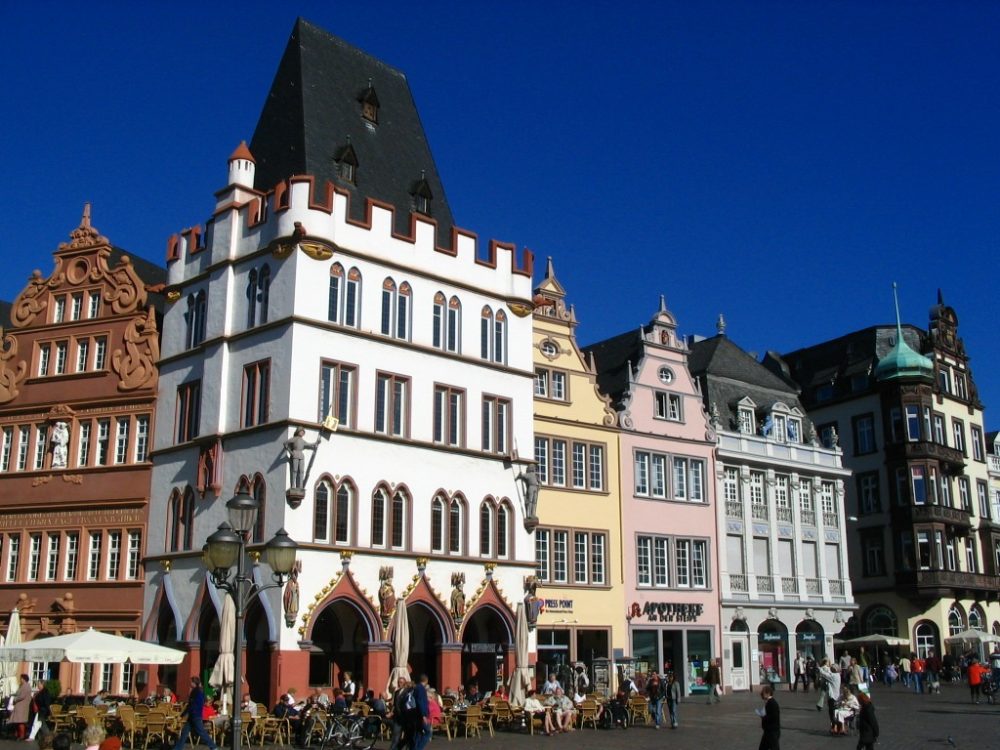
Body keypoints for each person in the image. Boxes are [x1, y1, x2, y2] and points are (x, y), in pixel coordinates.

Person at [173, 677, 218, 750]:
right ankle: (178, 748)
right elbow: (196, 703)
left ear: (194, 683)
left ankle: (213, 746)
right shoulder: (198, 691)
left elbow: (191, 705)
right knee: (184, 732)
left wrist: (182, 715)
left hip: (195, 716)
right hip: (193, 716)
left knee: (201, 732)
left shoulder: (196, 692)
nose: (190, 683)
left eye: (191, 682)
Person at [401, 674, 430, 750]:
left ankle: (414, 748)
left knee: (417, 733)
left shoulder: (415, 688)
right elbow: (421, 702)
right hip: (420, 715)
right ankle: (418, 748)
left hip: (414, 715)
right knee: (427, 732)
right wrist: (424, 715)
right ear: (426, 681)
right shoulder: (421, 688)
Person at [817, 659, 841, 728]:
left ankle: (835, 726)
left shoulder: (833, 676)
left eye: (832, 668)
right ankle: (836, 726)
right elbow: (829, 674)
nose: (830, 668)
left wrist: (819, 668)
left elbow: (824, 675)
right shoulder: (837, 675)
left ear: (835, 670)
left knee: (832, 713)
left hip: (832, 697)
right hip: (837, 697)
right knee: (835, 713)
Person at [756, 684, 780, 750]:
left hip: (772, 731)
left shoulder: (772, 703)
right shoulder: (769, 702)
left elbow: (773, 717)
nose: (761, 694)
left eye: (763, 693)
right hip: (768, 731)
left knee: (774, 748)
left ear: (768, 693)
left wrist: (763, 717)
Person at [11, 674, 32, 740]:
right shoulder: (22, 686)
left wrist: (15, 699)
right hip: (20, 707)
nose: (20, 680)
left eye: (21, 678)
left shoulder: (26, 686)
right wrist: (12, 694)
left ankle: (22, 735)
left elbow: (22, 696)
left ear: (23, 679)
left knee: (21, 722)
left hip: (22, 707)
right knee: (18, 722)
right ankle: (18, 734)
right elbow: (18, 693)